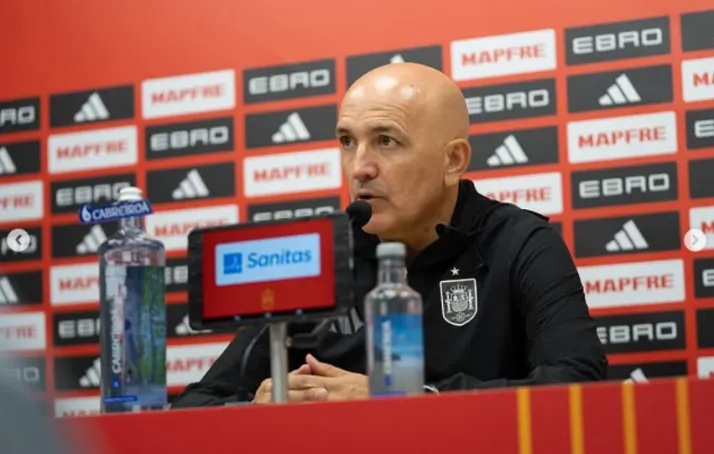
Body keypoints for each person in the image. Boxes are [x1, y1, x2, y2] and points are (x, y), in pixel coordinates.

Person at [171, 62, 607, 407]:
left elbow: (578, 385)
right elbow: (196, 404)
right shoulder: (318, 253)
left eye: (386, 141)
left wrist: (407, 399)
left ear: (453, 161)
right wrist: (257, 406)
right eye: (347, 141)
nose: (360, 167)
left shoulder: (520, 242)